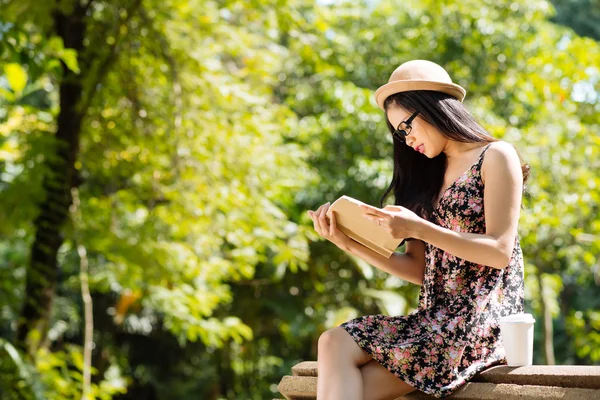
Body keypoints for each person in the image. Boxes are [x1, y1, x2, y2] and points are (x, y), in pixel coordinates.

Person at [306, 59, 529, 399]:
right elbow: (420, 269)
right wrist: (348, 242)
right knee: (333, 341)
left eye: (406, 127)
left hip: (478, 324)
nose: (406, 140)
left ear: (431, 108)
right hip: (432, 323)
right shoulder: (424, 179)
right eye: (398, 133)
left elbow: (499, 251)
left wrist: (420, 228)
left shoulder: (496, 156)